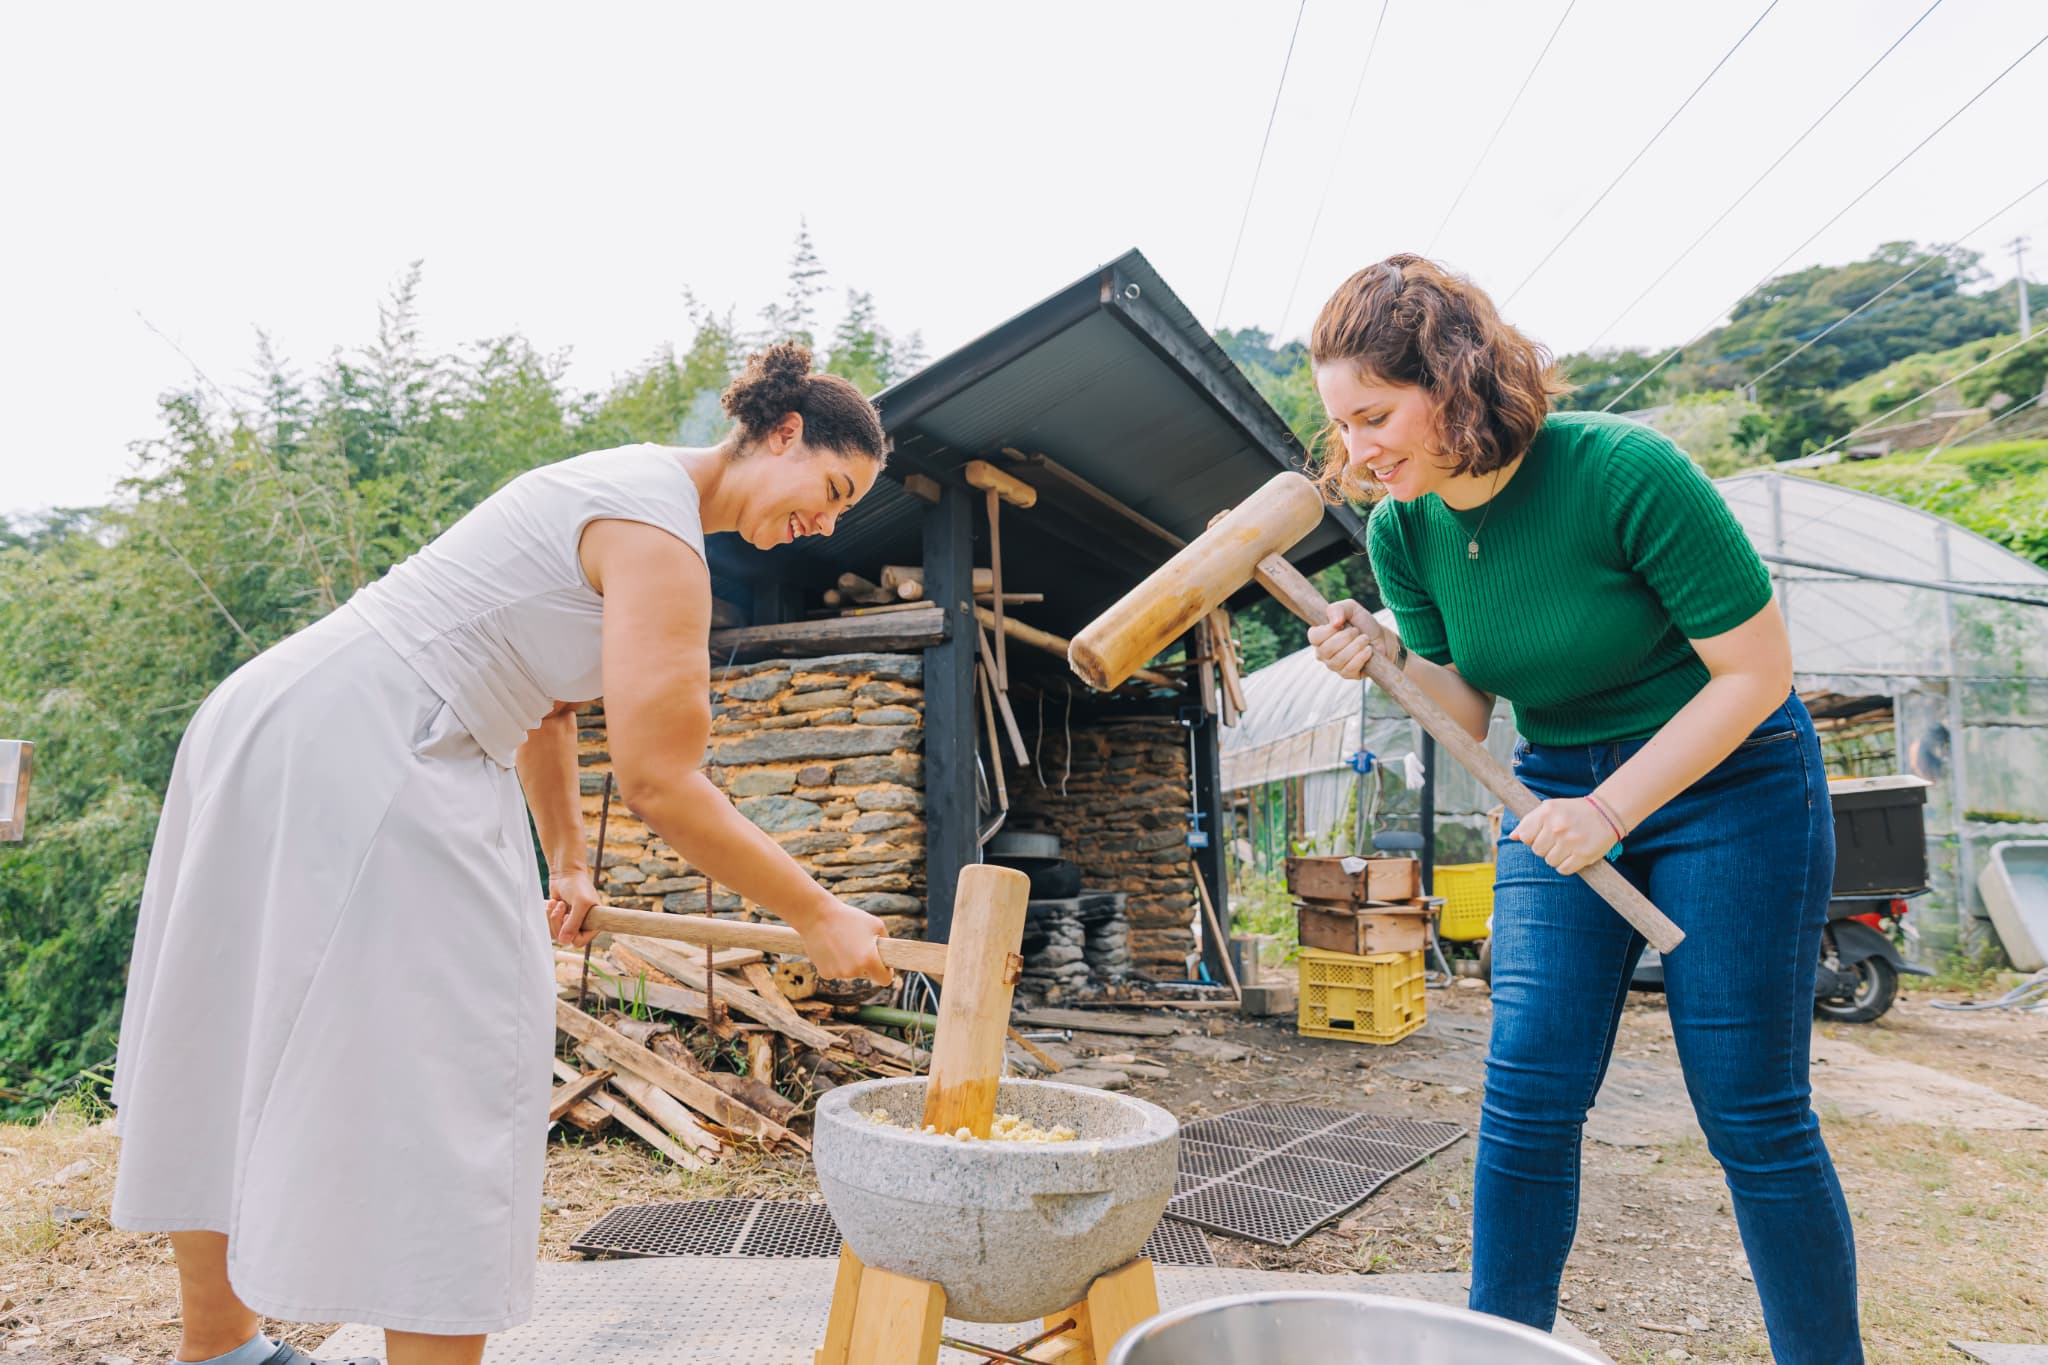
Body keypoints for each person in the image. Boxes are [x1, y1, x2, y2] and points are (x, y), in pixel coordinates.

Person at [110, 343, 895, 1365]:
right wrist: (817, 913)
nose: (825, 525)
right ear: (782, 433)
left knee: (237, 1022)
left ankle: (221, 1353)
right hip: (376, 737)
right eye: (829, 492)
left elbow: (546, 708)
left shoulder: (624, 485)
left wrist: (567, 861)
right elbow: (663, 784)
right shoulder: (659, 537)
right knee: (462, 1063)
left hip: (295, 713)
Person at [1303, 257, 1861, 1363]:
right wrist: (1387, 659)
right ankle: (1498, 1349)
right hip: (1560, 788)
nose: (1357, 453)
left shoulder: (1622, 472)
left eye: (1374, 415)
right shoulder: (1402, 535)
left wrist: (1609, 808)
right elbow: (1464, 706)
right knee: (1526, 1092)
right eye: (1341, 427)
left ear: (1453, 380)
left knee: (1749, 1111)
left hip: (1732, 781)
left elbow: (1753, 677)